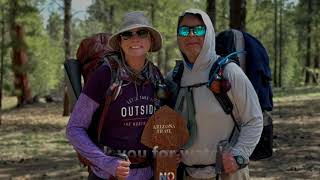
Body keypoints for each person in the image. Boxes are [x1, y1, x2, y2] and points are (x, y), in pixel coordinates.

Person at [166, 9, 263, 180]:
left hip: (228, 174)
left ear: (209, 33)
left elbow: (254, 119)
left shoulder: (229, 72)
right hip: (187, 174)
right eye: (184, 30)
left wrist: (239, 155)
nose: (191, 35)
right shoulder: (173, 78)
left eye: (198, 29)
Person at [66, 11, 164, 180]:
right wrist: (107, 163)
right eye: (127, 34)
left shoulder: (155, 76)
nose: (135, 39)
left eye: (142, 32)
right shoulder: (104, 75)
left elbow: (162, 128)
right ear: (120, 41)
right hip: (107, 176)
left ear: (151, 40)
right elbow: (74, 128)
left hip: (147, 174)